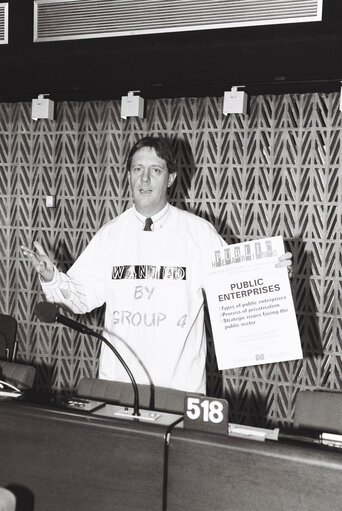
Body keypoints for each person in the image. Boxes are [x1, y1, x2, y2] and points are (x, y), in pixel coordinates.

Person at [22, 136, 292, 393]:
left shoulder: (198, 233)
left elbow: (233, 292)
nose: (145, 178)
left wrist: (271, 278)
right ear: (128, 175)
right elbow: (81, 300)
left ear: (171, 178)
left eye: (156, 170)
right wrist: (52, 278)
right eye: (138, 169)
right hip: (119, 384)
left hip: (178, 388)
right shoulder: (111, 234)